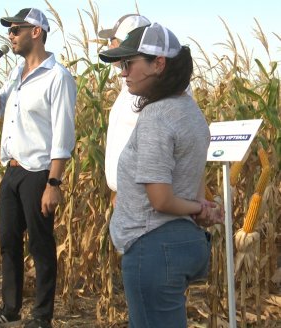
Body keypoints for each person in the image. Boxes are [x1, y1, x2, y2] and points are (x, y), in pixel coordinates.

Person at [99, 23, 224, 327]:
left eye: (129, 63)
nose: (123, 71)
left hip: (153, 247)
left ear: (159, 63)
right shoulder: (191, 111)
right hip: (178, 243)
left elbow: (160, 199)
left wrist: (199, 208)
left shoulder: (157, 116)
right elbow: (191, 184)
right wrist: (200, 208)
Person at [0, 8, 76, 328]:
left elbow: (63, 133)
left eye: (16, 30)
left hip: (39, 172)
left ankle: (42, 315)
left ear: (36, 32)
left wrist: (53, 183)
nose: (10, 36)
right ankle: (10, 308)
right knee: (7, 239)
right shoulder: (15, 73)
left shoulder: (58, 77)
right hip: (13, 170)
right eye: (9, 31)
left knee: (41, 245)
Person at [98, 14, 151, 200]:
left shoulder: (153, 84)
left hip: (141, 197)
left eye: (113, 40)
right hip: (124, 195)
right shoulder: (127, 84)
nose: (109, 45)